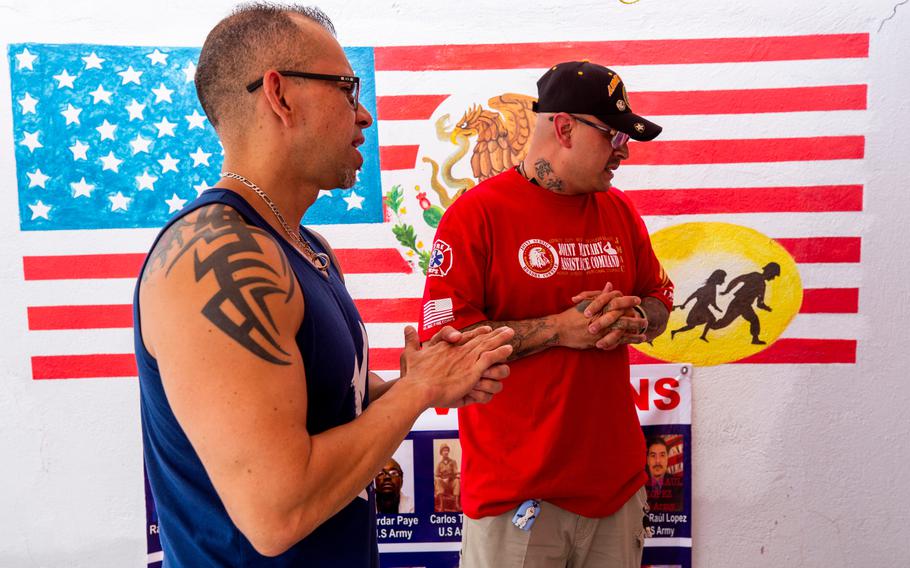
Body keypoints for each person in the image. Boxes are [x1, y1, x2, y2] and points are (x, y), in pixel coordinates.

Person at [134, 4, 515, 567]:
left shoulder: (303, 246)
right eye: (346, 88)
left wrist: (419, 383)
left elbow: (326, 411)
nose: (363, 115)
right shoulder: (223, 256)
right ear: (280, 95)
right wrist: (419, 392)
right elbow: (277, 512)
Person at [418, 61, 675, 567]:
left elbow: (660, 299)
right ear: (563, 127)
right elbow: (444, 345)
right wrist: (559, 329)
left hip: (616, 495)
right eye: (613, 135)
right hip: (518, 499)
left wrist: (638, 319)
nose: (622, 150)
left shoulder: (620, 211)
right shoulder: (475, 216)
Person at [708, 262, 781, 344]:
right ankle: (707, 322)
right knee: (723, 323)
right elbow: (738, 280)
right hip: (738, 303)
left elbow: (759, 303)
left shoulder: (763, 286)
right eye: (774, 275)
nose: (773, 278)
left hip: (745, 306)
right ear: (770, 272)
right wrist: (727, 291)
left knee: (754, 320)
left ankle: (755, 339)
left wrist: (766, 307)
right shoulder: (755, 276)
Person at [671, 268, 727, 341]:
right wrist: (684, 304)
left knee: (691, 326)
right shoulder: (708, 288)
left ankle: (675, 331)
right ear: (718, 278)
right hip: (699, 309)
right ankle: (703, 336)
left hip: (701, 308)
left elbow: (712, 301)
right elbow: (694, 296)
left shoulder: (712, 288)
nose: (723, 281)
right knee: (710, 320)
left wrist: (684, 304)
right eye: (723, 278)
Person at [645, 437, 684, 512]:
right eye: (653, 455)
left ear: (667, 458)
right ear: (647, 460)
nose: (658, 461)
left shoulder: (680, 488)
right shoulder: (638, 487)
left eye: (662, 455)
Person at [434, 443, 461, 512]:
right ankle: (441, 505)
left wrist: (451, 477)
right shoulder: (439, 464)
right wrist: (442, 479)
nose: (446, 452)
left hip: (451, 483)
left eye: (447, 450)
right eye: (444, 451)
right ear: (441, 453)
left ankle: (456, 504)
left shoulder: (453, 462)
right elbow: (436, 475)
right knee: (437, 480)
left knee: (457, 481)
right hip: (444, 485)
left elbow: (455, 472)